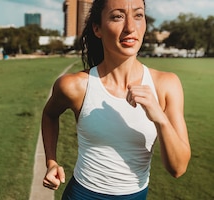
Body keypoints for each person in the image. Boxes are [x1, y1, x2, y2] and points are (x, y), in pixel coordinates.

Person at [41, 0, 191, 199]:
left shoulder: (167, 85)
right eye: (117, 16)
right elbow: (49, 114)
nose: (130, 27)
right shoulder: (74, 86)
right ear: (98, 29)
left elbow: (178, 169)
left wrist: (160, 118)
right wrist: (51, 161)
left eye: (138, 15)